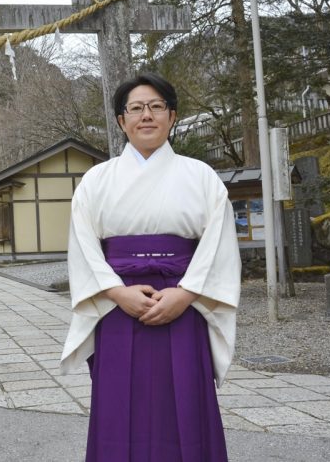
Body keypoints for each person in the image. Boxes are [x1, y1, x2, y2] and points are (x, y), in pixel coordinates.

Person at [60, 72, 241, 461]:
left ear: (172, 117)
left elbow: (218, 244)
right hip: (118, 306)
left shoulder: (201, 177)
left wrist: (187, 293)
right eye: (137, 108)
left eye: (157, 107)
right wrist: (115, 291)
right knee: (118, 406)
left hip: (183, 304)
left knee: (186, 404)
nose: (147, 116)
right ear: (121, 120)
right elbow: (84, 245)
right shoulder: (96, 181)